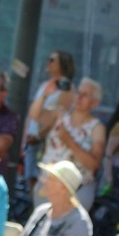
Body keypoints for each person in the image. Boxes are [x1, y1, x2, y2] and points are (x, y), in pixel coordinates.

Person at [38, 78, 106, 210]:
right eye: (78, 92)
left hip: (76, 193)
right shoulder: (60, 115)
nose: (79, 97)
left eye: (85, 95)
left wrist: (68, 141)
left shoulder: (97, 128)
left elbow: (93, 164)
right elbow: (35, 115)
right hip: (47, 186)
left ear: (95, 103)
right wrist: (45, 94)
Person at [25, 50, 76, 190]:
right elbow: (34, 113)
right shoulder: (46, 86)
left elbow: (57, 118)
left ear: (62, 65)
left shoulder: (67, 88)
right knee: (31, 182)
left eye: (52, 60)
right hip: (33, 141)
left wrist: (39, 136)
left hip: (46, 144)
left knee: (41, 185)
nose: (48, 62)